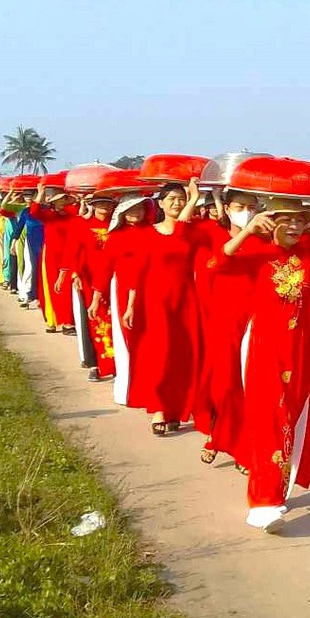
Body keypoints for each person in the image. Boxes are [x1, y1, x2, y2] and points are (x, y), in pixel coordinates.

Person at [219, 197, 310, 533]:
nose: (294, 226)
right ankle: (262, 502)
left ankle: (276, 491)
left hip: (302, 349)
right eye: (286, 220)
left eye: (300, 220)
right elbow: (219, 263)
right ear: (270, 221)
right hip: (266, 347)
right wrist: (248, 229)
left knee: (293, 420)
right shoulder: (256, 250)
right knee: (269, 420)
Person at [127, 181, 206, 434]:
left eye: (181, 198)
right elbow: (136, 274)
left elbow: (185, 237)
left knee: (183, 356)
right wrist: (130, 306)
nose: (177, 202)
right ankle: (158, 408)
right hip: (156, 302)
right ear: (160, 203)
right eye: (171, 198)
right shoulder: (147, 234)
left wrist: (200, 199)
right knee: (159, 356)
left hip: (186, 300)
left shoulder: (191, 232)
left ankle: (176, 409)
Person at [195, 188, 260, 466]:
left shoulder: (267, 240)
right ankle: (216, 434)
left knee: (249, 386)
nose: (246, 212)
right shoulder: (212, 235)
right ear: (228, 208)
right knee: (223, 385)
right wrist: (246, 232)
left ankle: (244, 449)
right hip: (222, 322)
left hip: (256, 321)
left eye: (251, 206)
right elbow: (214, 264)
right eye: (240, 206)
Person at [91, 194, 157, 407]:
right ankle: (129, 389)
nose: (136, 213)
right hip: (121, 291)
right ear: (121, 213)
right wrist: (96, 297)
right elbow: (104, 268)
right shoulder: (116, 237)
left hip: (152, 290)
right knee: (127, 339)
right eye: (131, 209)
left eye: (139, 208)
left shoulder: (154, 233)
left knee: (150, 341)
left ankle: (151, 389)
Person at [69, 193, 118, 382]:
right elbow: (74, 251)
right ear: (93, 205)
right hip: (89, 279)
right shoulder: (81, 225)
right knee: (93, 320)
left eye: (108, 202)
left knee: (113, 319)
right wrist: (75, 274)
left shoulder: (118, 226)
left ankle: (116, 364)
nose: (104, 206)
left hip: (114, 277)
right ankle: (96, 364)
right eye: (101, 203)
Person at [29, 183, 78, 335]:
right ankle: (51, 321)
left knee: (67, 287)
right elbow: (34, 211)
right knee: (51, 287)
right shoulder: (48, 215)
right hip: (51, 254)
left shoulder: (72, 212)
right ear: (53, 201)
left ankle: (68, 322)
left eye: (64, 198)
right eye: (60, 199)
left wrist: (77, 196)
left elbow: (83, 213)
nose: (63, 201)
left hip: (69, 253)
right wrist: (41, 191)